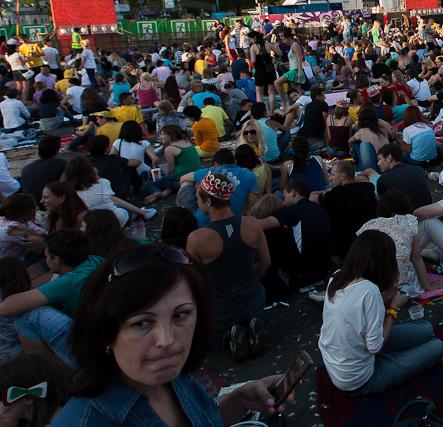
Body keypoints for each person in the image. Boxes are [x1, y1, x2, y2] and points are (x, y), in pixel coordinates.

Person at [53, 244, 291, 426]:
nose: (167, 341)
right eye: (141, 323)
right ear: (105, 333)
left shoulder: (173, 377)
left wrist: (238, 401)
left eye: (180, 315)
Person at [319, 229, 443, 395]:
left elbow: (358, 315)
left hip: (341, 363)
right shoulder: (369, 291)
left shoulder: (337, 278)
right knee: (437, 346)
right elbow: (375, 348)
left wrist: (387, 296)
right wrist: (394, 308)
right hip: (359, 381)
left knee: (426, 329)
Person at [185, 171, 269, 361]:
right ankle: (252, 326)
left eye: (198, 198)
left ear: (208, 201)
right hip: (254, 299)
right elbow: (266, 262)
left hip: (221, 308)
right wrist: (253, 281)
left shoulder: (197, 239)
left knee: (213, 334)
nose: (197, 202)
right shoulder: (252, 224)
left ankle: (229, 338)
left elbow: (194, 279)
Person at [0, 229, 100, 365]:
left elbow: (5, 308)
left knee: (27, 315)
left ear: (56, 259)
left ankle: (44, 370)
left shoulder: (70, 282)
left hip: (90, 348)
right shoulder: (94, 260)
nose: (45, 259)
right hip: (102, 335)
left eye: (46, 256)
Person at [354, 189, 435, 297]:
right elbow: (416, 258)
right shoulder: (410, 222)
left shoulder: (369, 225)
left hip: (371, 287)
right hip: (398, 286)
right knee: (407, 282)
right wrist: (428, 286)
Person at [63, 156, 155, 227]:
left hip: (93, 227)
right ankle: (142, 213)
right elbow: (113, 199)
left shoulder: (69, 193)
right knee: (116, 203)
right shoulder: (102, 183)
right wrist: (95, 173)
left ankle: (141, 213)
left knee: (111, 201)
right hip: (117, 221)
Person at [318, 160, 377, 261]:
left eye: (332, 175)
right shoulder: (368, 188)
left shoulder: (333, 196)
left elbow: (312, 197)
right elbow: (363, 179)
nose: (330, 178)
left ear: (342, 176)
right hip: (370, 245)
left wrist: (327, 191)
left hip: (345, 252)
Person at [144, 125, 200, 206]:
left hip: (181, 178)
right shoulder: (186, 141)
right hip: (195, 177)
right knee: (169, 182)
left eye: (163, 134)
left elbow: (171, 170)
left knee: (151, 184)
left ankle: (158, 192)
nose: (161, 137)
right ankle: (165, 193)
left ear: (171, 135)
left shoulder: (170, 149)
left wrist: (165, 178)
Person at [373, 143, 433, 209]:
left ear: (389, 158)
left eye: (380, 159)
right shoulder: (418, 169)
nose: (378, 164)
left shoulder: (383, 180)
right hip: (428, 211)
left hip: (407, 214)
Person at [18, 135, 66, 203]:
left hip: (32, 204)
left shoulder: (25, 169)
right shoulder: (62, 164)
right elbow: (64, 187)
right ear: (56, 151)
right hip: (51, 203)